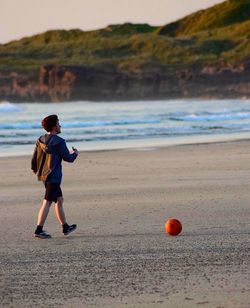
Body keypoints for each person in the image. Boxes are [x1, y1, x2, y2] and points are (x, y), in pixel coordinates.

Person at [31, 114, 78, 239]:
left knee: (59, 200)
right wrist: (75, 153)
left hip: (45, 176)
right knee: (47, 201)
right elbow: (68, 158)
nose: (60, 125)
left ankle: (65, 227)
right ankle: (38, 230)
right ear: (54, 126)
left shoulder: (40, 139)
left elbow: (34, 159)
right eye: (58, 123)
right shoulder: (60, 141)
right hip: (54, 177)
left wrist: (36, 170)